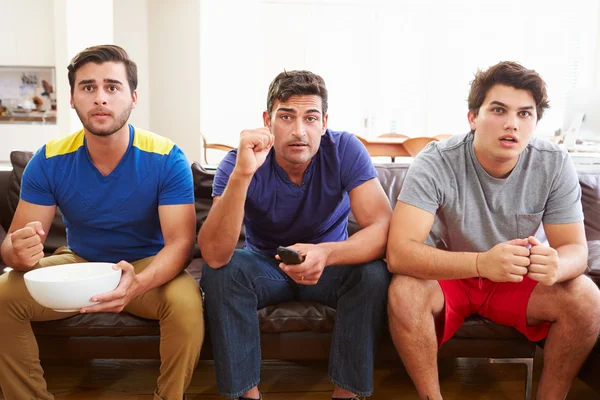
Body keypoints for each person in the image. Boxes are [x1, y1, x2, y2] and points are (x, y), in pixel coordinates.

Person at [386, 61, 600, 399]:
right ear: (473, 118)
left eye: (525, 114)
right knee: (404, 291)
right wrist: (480, 263)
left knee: (587, 297)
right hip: (451, 274)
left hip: (517, 278)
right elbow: (399, 253)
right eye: (498, 110)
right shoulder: (435, 161)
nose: (512, 124)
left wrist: (559, 265)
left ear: (536, 123)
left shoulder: (553, 162)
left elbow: (575, 249)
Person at [0, 45, 203, 400]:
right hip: (80, 262)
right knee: (2, 295)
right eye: (88, 87)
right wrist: (17, 251)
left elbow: (180, 245)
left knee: (187, 306)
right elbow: (16, 250)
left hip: (147, 268)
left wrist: (137, 284)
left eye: (112, 87)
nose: (100, 98)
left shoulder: (166, 157)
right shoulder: (47, 160)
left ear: (133, 97)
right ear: (73, 98)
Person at [198, 70, 392, 400]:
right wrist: (244, 174)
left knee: (374, 274)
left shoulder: (345, 149)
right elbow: (215, 253)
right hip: (266, 267)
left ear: (324, 122)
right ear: (267, 120)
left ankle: (346, 395)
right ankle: (248, 396)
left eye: (310, 118)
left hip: (330, 267)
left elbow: (383, 228)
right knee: (222, 272)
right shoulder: (240, 161)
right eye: (286, 117)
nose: (299, 131)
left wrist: (327, 254)